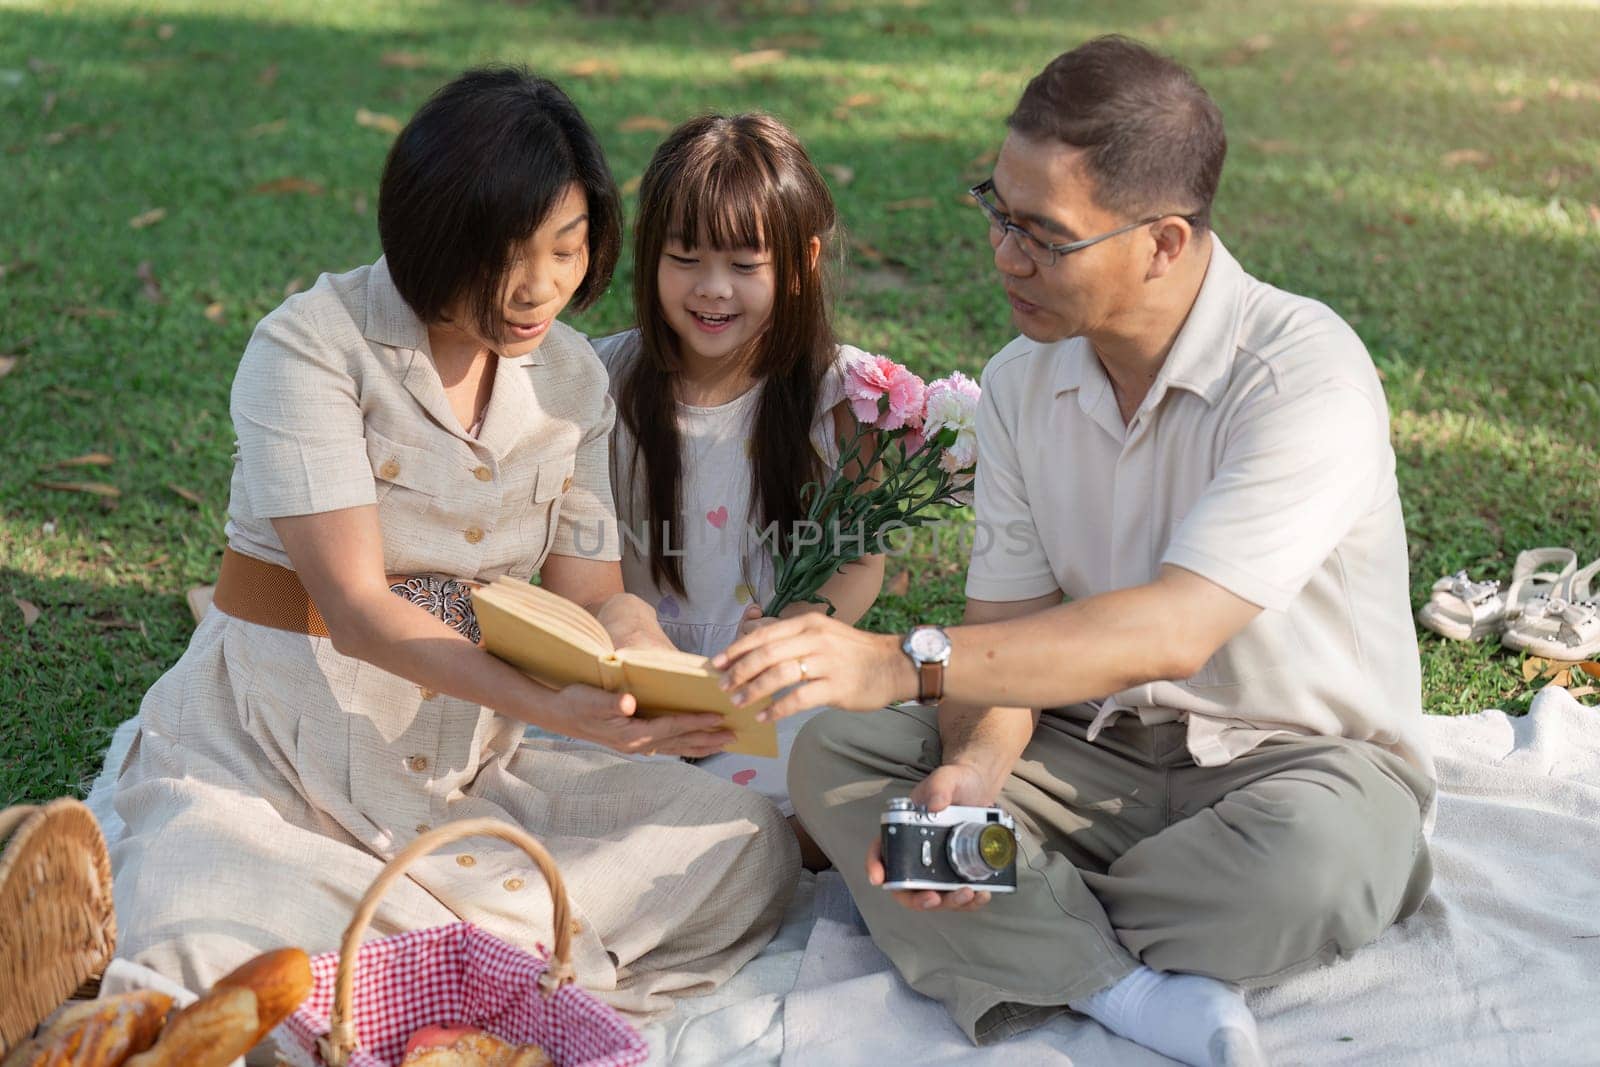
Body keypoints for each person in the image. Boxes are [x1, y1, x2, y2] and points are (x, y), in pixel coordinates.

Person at [715, 36, 1434, 1067]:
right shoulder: (1021, 384)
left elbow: (1174, 629)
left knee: (1307, 869)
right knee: (836, 755)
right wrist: (969, 768)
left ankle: (1011, 924)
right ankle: (1126, 986)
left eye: (1043, 235)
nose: (1005, 255)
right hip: (1086, 750)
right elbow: (1007, 642)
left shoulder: (1300, 374)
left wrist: (896, 662)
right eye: (997, 213)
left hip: (1295, 768)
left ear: (1163, 243)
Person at [109, 67, 798, 1024]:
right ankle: (436, 971)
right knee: (218, 925)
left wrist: (642, 659)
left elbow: (596, 589)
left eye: (568, 250)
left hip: (465, 761)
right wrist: (546, 700)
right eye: (505, 258)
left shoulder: (567, 376)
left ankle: (419, 975)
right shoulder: (310, 348)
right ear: (430, 235)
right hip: (277, 744)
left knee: (744, 843)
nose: (538, 288)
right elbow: (354, 611)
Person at [590, 113, 884, 827]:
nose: (712, 289)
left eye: (744, 266)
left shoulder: (839, 399)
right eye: (684, 258)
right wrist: (637, 651)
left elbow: (858, 558)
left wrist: (795, 625)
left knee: (828, 785)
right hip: (639, 678)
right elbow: (583, 553)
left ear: (802, 262)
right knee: (586, 780)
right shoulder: (604, 378)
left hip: (778, 690)